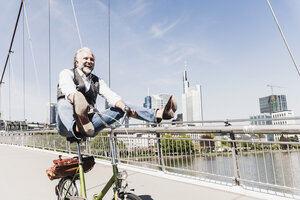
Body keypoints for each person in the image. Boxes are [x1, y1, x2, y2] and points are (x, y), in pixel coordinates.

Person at [56, 47, 177, 139]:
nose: (89, 61)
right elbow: (68, 90)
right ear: (76, 62)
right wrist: (77, 100)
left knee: (121, 107)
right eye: (85, 58)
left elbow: (111, 96)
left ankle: (160, 114)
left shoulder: (98, 81)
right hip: (66, 125)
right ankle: (77, 125)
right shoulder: (67, 73)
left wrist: (126, 109)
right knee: (63, 103)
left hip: (90, 125)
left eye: (92, 59)